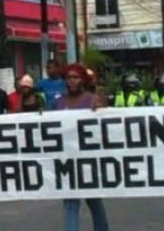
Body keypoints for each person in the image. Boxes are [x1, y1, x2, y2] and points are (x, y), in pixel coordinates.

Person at [54, 64, 110, 231]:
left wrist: (101, 108)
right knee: (71, 203)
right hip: (67, 159)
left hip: (89, 159)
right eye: (69, 78)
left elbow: (105, 122)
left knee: (94, 202)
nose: (71, 81)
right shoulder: (58, 102)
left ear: (83, 80)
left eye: (75, 77)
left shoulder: (93, 99)